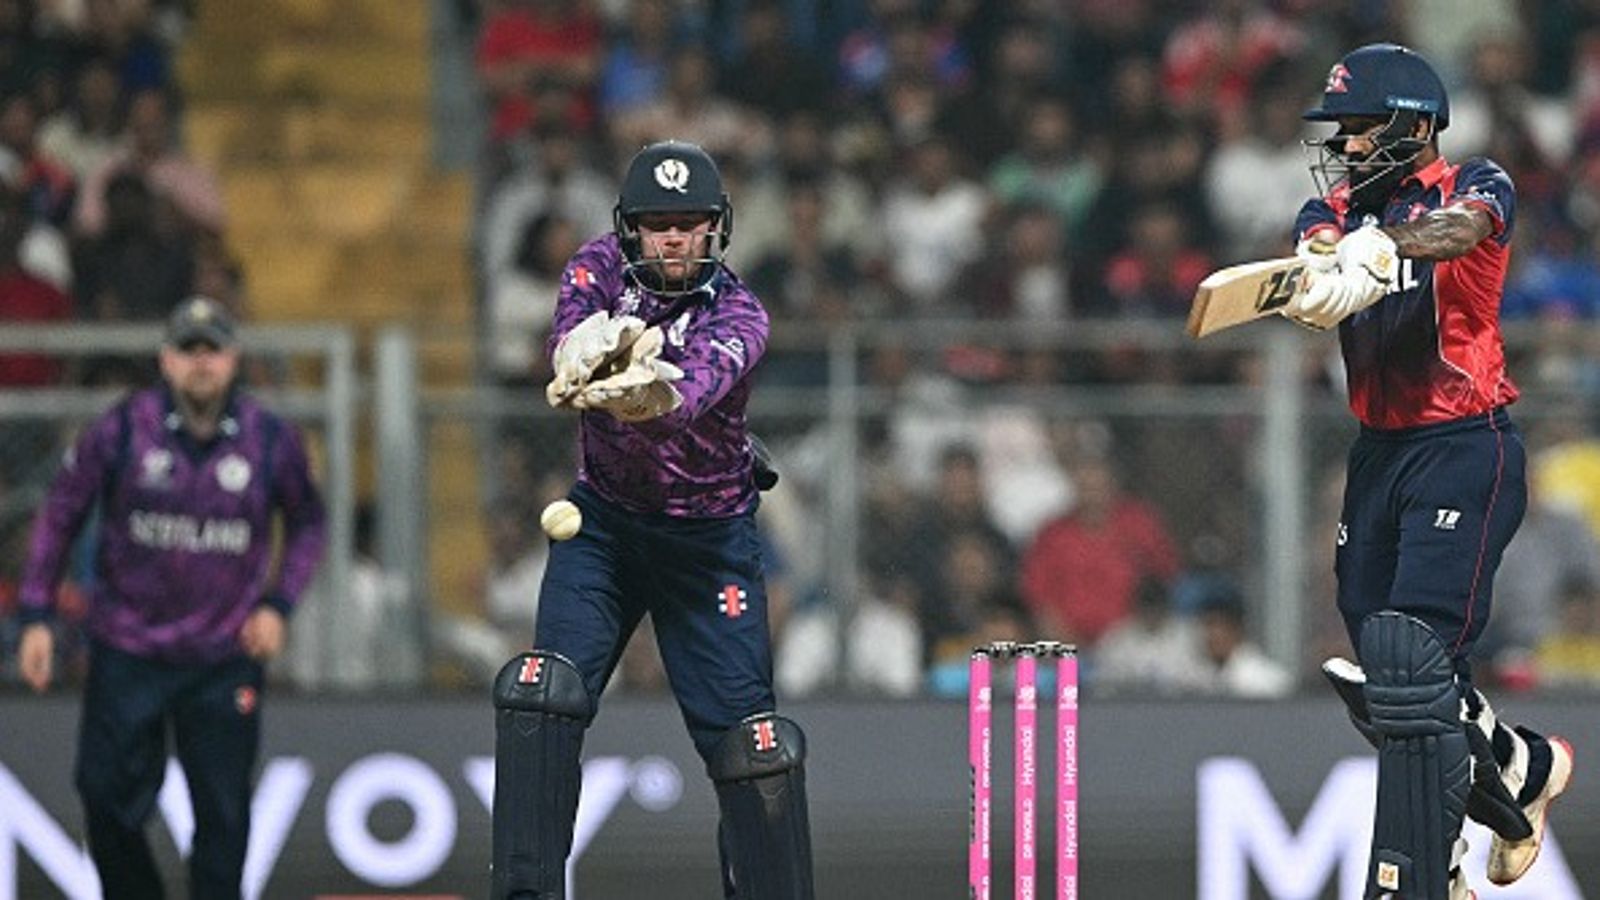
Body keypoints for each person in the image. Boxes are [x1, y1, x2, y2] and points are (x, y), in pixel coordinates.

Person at [1284, 43, 1573, 900]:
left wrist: (1382, 249)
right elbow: (1313, 246)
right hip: (1379, 454)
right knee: (1396, 666)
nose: (1346, 148)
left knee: (1410, 661)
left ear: (1413, 127)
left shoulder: (1479, 184)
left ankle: (1432, 868)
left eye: (1361, 131)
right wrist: (1316, 272)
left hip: (1464, 442)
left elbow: (1465, 230)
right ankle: (1518, 768)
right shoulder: (1328, 206)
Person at [490, 140, 812, 900]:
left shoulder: (741, 314)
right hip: (603, 527)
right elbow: (567, 326)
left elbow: (686, 396)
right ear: (630, 228)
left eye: (690, 223)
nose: (674, 238)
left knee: (752, 751)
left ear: (716, 229)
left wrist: (645, 390)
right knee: (543, 694)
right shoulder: (595, 266)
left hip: (710, 543)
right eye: (657, 223)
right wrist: (582, 349)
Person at [14, 296, 326, 899]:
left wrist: (278, 605)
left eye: (213, 350)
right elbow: (60, 512)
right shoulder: (125, 428)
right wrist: (35, 613)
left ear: (234, 360)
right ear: (166, 360)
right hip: (128, 647)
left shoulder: (268, 441)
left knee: (225, 815)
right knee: (104, 796)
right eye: (189, 350)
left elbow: (309, 523)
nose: (201, 363)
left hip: (223, 653)